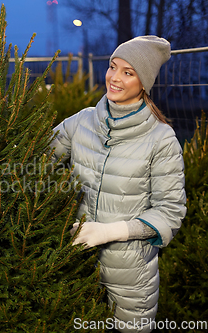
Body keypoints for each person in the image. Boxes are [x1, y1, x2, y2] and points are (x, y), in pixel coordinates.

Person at [50, 36, 186, 333]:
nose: (114, 78)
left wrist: (111, 231)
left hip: (130, 275)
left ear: (144, 83)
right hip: (76, 263)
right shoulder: (82, 122)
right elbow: (36, 156)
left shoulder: (161, 140)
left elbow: (170, 211)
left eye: (128, 72)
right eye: (113, 67)